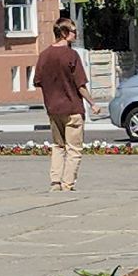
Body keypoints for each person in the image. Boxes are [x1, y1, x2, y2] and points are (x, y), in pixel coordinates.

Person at [35, 17, 92, 193]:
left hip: (53, 109)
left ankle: (55, 182)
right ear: (64, 33)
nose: (76, 34)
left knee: (58, 146)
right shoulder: (71, 55)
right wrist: (93, 103)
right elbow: (80, 85)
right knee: (74, 149)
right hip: (72, 108)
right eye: (74, 31)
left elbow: (38, 81)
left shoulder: (44, 55)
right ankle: (67, 185)